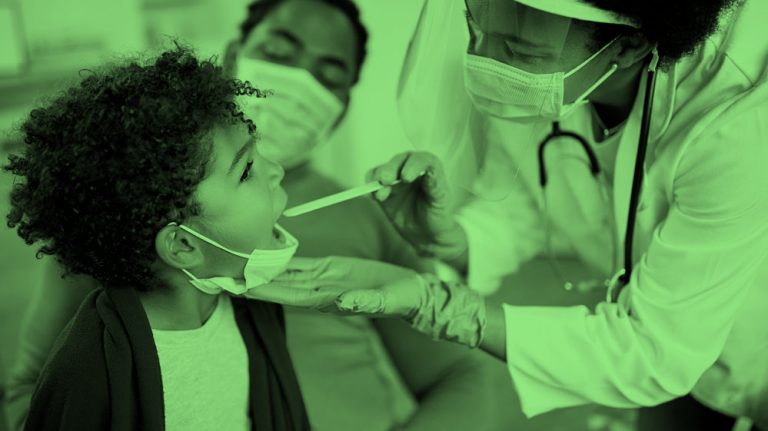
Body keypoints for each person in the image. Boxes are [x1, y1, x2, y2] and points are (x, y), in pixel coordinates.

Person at [247, 0, 768, 430]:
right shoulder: (544, 59)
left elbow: (653, 351)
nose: (489, 65)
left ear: (628, 46)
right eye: (478, 31)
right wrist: (455, 240)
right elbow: (524, 204)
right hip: (682, 358)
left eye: (517, 50)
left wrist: (447, 309)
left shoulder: (736, 122)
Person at [4, 1, 512, 430]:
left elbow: (468, 376)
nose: (298, 83)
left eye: (328, 74)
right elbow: (34, 391)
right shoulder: (118, 221)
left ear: (342, 104)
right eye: (278, 51)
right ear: (231, 56)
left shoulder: (375, 213)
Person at [3, 45, 312, 430]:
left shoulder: (255, 309)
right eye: (247, 170)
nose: (277, 170)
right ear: (183, 246)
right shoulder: (84, 372)